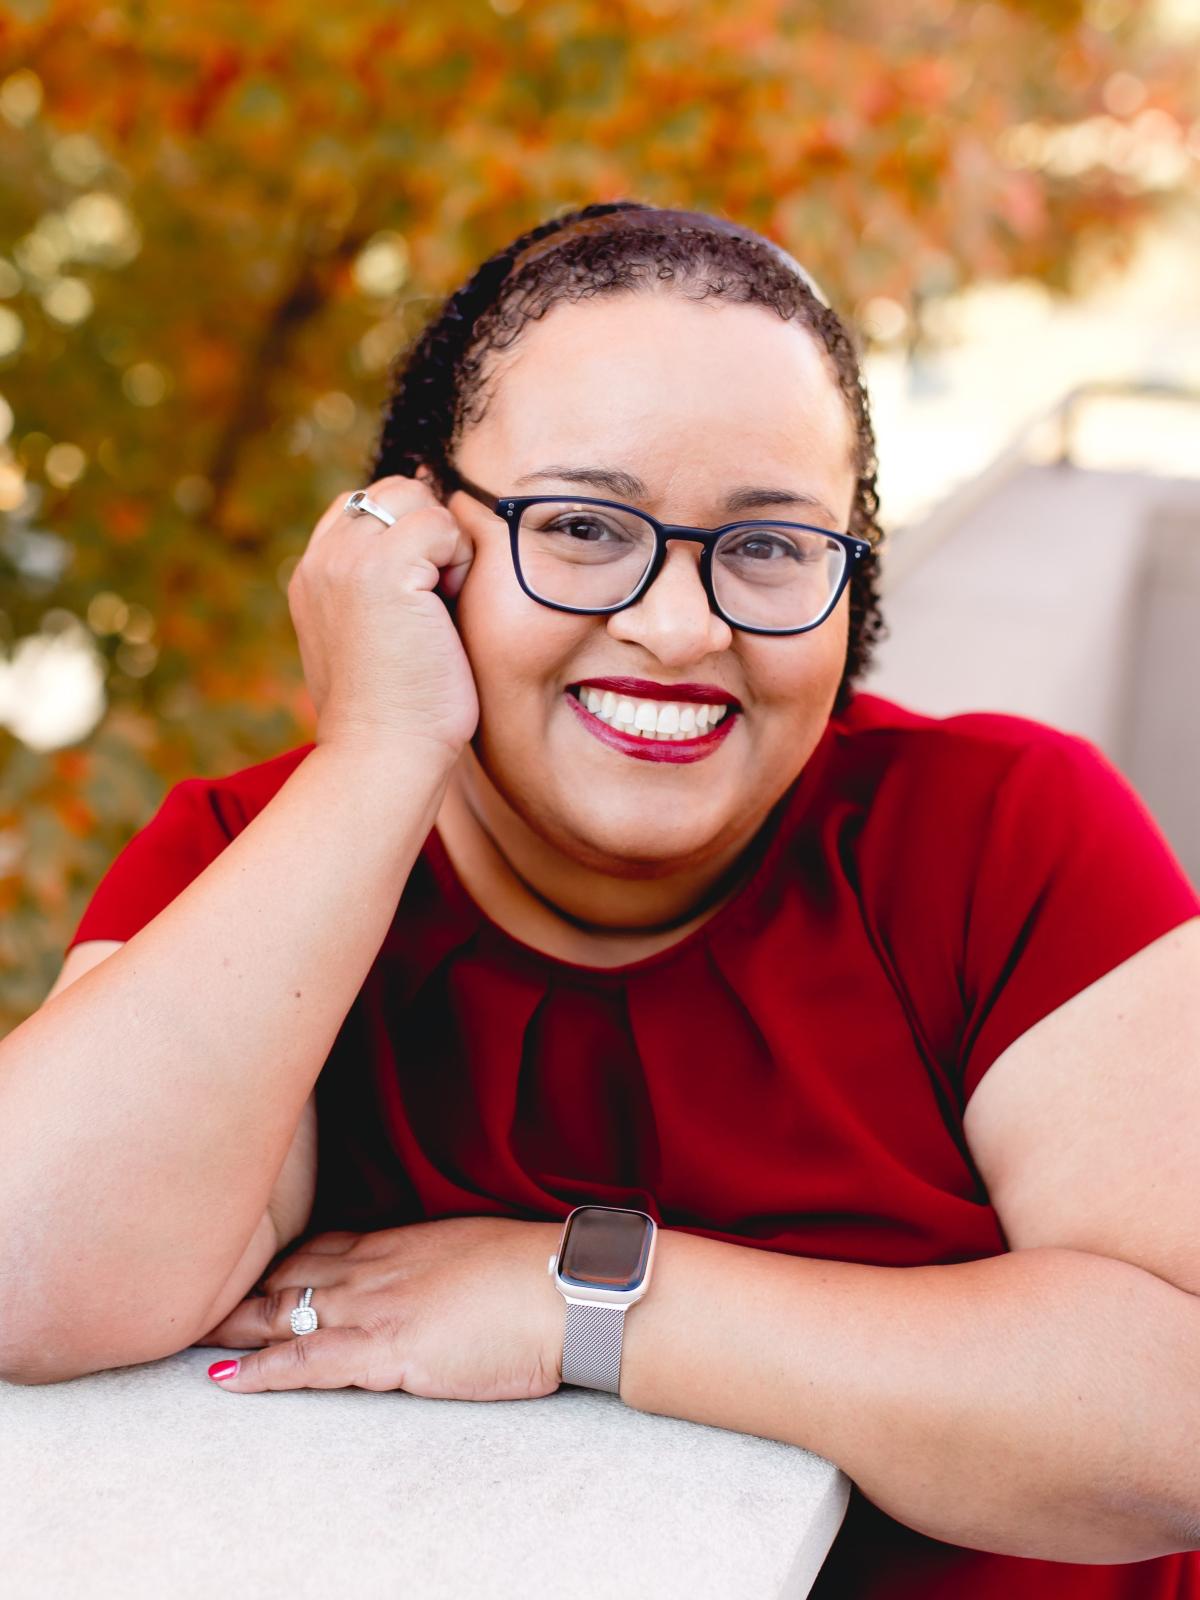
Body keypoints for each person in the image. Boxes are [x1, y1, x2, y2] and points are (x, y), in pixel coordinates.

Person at [4, 201, 1199, 1598]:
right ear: (416, 539)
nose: (681, 627)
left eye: (768, 548)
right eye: (580, 525)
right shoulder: (259, 858)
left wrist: (580, 1299)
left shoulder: (1002, 837)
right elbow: (31, 1274)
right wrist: (380, 750)